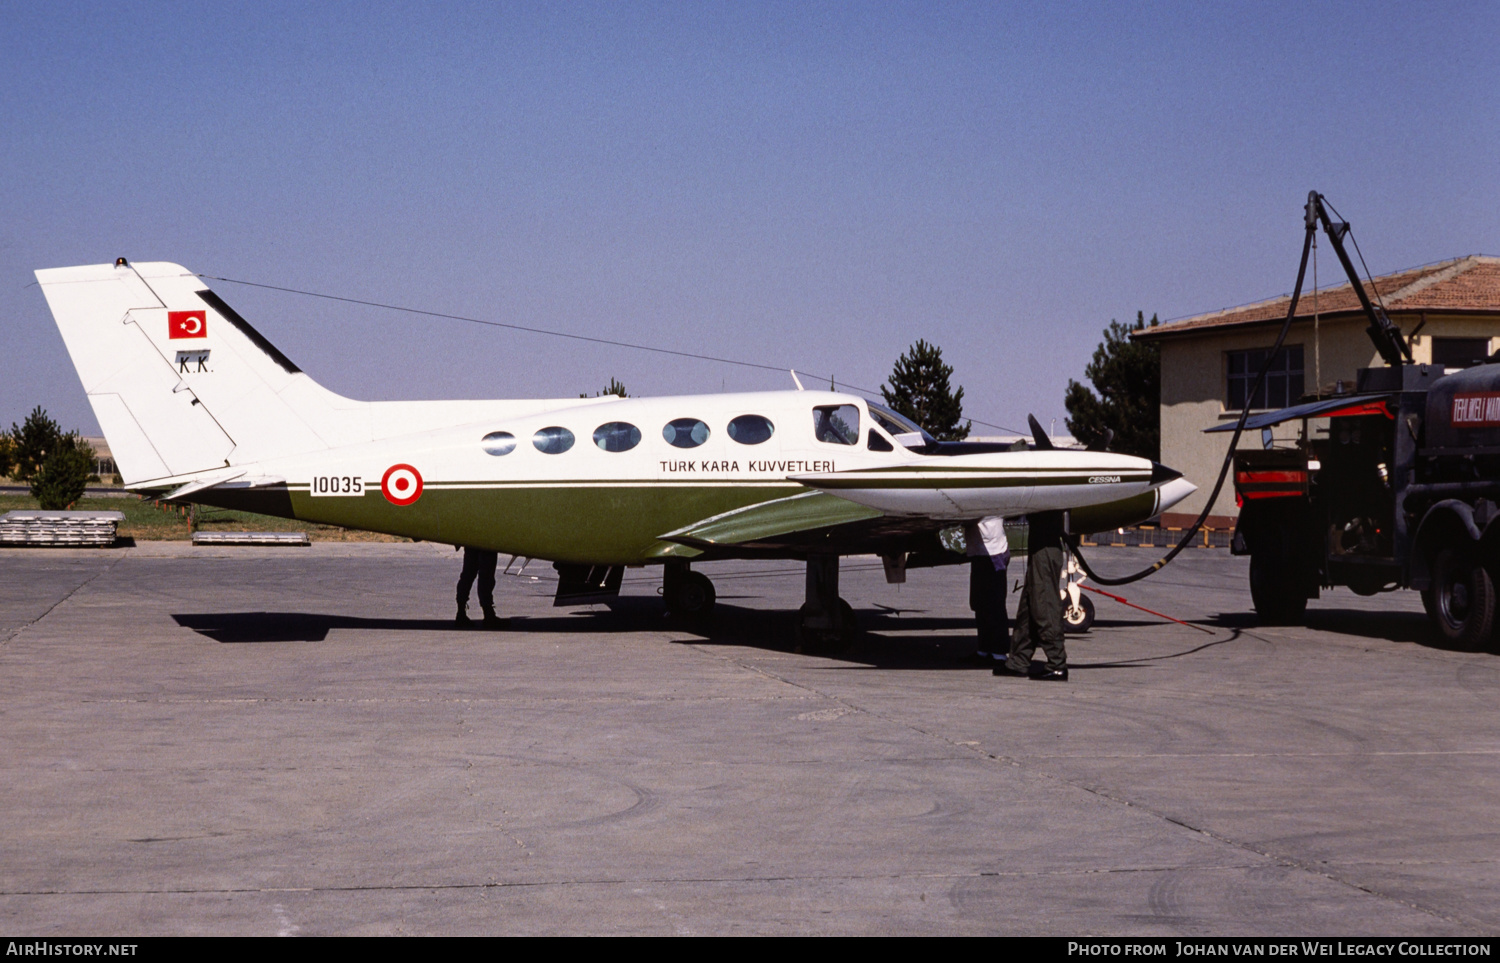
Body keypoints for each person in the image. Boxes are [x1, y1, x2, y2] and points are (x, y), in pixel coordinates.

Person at [994, 510, 1068, 681]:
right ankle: (1018, 661)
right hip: (1039, 543)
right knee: (1029, 605)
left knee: (1044, 603)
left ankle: (1057, 663)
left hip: (1046, 547)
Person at [966, 516, 1011, 663]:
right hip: (978, 550)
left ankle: (999, 652)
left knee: (995, 603)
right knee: (980, 603)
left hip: (994, 551)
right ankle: (984, 649)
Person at [456, 546, 503, 628]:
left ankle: (461, 612)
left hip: (471, 539)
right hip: (487, 540)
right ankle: (488, 614)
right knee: (486, 575)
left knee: (468, 574)